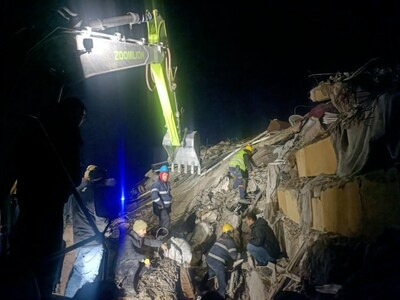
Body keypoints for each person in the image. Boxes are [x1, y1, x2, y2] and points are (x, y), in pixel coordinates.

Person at [8, 97, 85, 299]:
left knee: (22, 259)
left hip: (28, 203)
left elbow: (17, 157)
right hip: (49, 209)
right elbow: (74, 177)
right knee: (45, 262)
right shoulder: (68, 134)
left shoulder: (36, 128)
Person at [64, 165, 112, 298]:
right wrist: (109, 231)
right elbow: (101, 222)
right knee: (88, 279)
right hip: (92, 242)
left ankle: (68, 297)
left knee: (78, 274)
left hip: (78, 239)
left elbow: (69, 214)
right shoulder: (96, 195)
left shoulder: (77, 192)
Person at [115, 219, 167, 296]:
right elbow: (130, 254)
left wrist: (161, 244)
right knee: (135, 262)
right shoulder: (127, 239)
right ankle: (127, 286)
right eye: (143, 230)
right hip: (122, 266)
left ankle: (131, 278)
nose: (145, 232)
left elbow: (150, 242)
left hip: (129, 263)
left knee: (148, 267)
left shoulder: (138, 238)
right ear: (138, 230)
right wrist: (145, 259)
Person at [206, 224, 238, 298]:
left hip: (210, 259)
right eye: (232, 232)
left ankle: (205, 290)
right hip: (217, 262)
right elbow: (234, 256)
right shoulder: (229, 241)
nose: (233, 234)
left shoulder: (220, 238)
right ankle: (221, 296)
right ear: (229, 232)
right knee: (222, 283)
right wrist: (242, 255)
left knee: (211, 276)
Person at [151, 165, 172, 236]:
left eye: (167, 175)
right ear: (161, 175)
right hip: (161, 208)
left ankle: (159, 234)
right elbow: (154, 196)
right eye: (164, 175)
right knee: (167, 220)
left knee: (162, 221)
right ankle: (164, 235)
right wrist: (161, 204)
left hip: (167, 207)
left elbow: (167, 193)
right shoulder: (157, 184)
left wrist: (170, 198)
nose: (166, 177)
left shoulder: (167, 184)